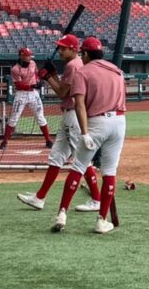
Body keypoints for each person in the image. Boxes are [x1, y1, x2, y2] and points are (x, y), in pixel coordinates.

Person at [16, 33, 101, 214]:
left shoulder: (73, 65)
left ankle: (96, 199)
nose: (60, 51)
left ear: (73, 49)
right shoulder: (76, 64)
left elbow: (63, 93)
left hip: (73, 115)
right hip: (69, 115)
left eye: (63, 48)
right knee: (56, 156)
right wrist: (53, 74)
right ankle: (40, 197)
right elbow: (65, 87)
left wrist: (48, 77)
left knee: (82, 160)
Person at [50, 36, 126, 234]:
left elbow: (79, 105)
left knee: (78, 166)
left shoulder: (82, 73)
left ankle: (62, 213)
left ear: (85, 53)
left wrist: (84, 132)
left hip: (96, 123)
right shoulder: (117, 71)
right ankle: (102, 220)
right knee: (109, 171)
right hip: (119, 122)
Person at [0, 48, 53, 150]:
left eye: (30, 55)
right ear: (21, 56)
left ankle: (48, 140)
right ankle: (4, 141)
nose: (30, 57)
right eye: (27, 56)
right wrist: (35, 85)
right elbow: (19, 85)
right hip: (21, 94)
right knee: (14, 118)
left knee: (40, 117)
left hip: (33, 94)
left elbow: (37, 74)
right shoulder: (15, 69)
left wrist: (41, 76)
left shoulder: (33, 63)